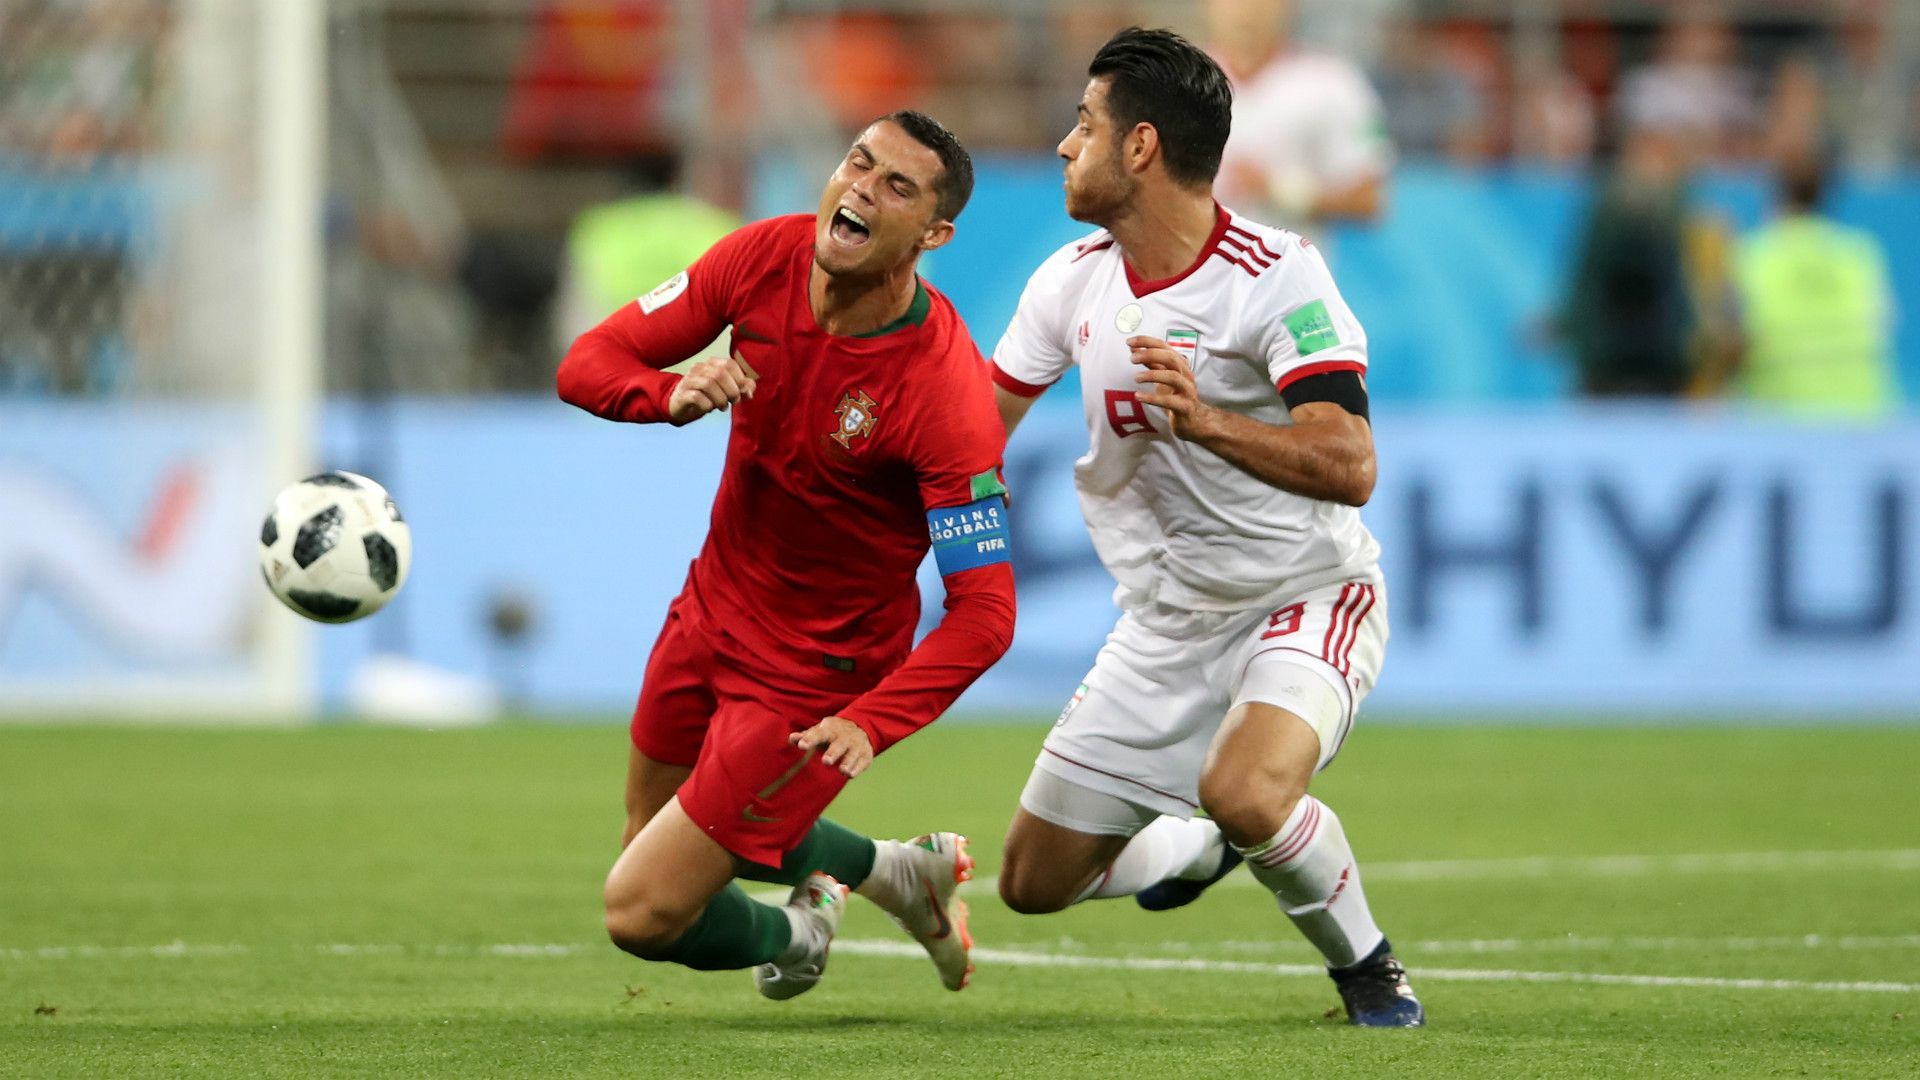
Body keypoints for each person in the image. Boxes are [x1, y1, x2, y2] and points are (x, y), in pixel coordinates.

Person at [988, 27, 1423, 1028]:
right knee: (1032, 883)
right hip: (1164, 624)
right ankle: (1195, 848)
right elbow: (975, 425)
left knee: (1246, 790)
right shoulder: (1069, 282)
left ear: (1139, 146)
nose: (1064, 145)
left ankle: (1369, 970)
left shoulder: (1279, 273)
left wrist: (1209, 420)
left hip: (1303, 596)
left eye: (1084, 125)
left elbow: (1352, 465)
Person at [555, 110, 1015, 999]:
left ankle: (800, 934)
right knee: (651, 841)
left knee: (642, 911)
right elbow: (588, 361)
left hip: (813, 674)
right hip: (709, 610)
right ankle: (896, 872)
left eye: (896, 187)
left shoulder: (945, 394)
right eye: (858, 163)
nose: (861, 190)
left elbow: (986, 614)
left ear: (934, 235)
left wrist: (872, 720)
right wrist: (665, 393)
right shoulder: (762, 256)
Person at [1726, 155, 1899, 416]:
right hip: (1863, 411)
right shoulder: (1858, 253)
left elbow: (1731, 340)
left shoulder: (1752, 254)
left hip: (1779, 413)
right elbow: (1882, 326)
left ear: (1774, 194)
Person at [1206, 0, 1392, 233]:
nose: (1247, 8)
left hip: (1289, 253)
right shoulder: (1176, 81)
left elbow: (1369, 199)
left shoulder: (1332, 82)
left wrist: (1283, 192)